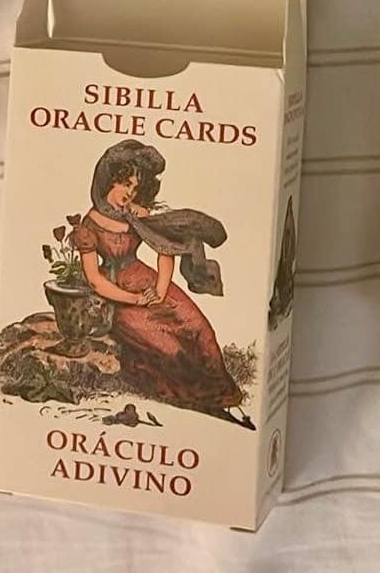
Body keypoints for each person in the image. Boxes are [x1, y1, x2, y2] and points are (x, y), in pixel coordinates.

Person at [68, 140, 254, 429]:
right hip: (117, 296)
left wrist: (161, 290)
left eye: (135, 187)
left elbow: (164, 249)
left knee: (198, 327)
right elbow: (95, 280)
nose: (130, 193)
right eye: (125, 184)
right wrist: (135, 300)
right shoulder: (88, 226)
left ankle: (220, 396)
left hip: (148, 281)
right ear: (109, 180)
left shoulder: (134, 215)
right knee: (168, 346)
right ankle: (191, 399)